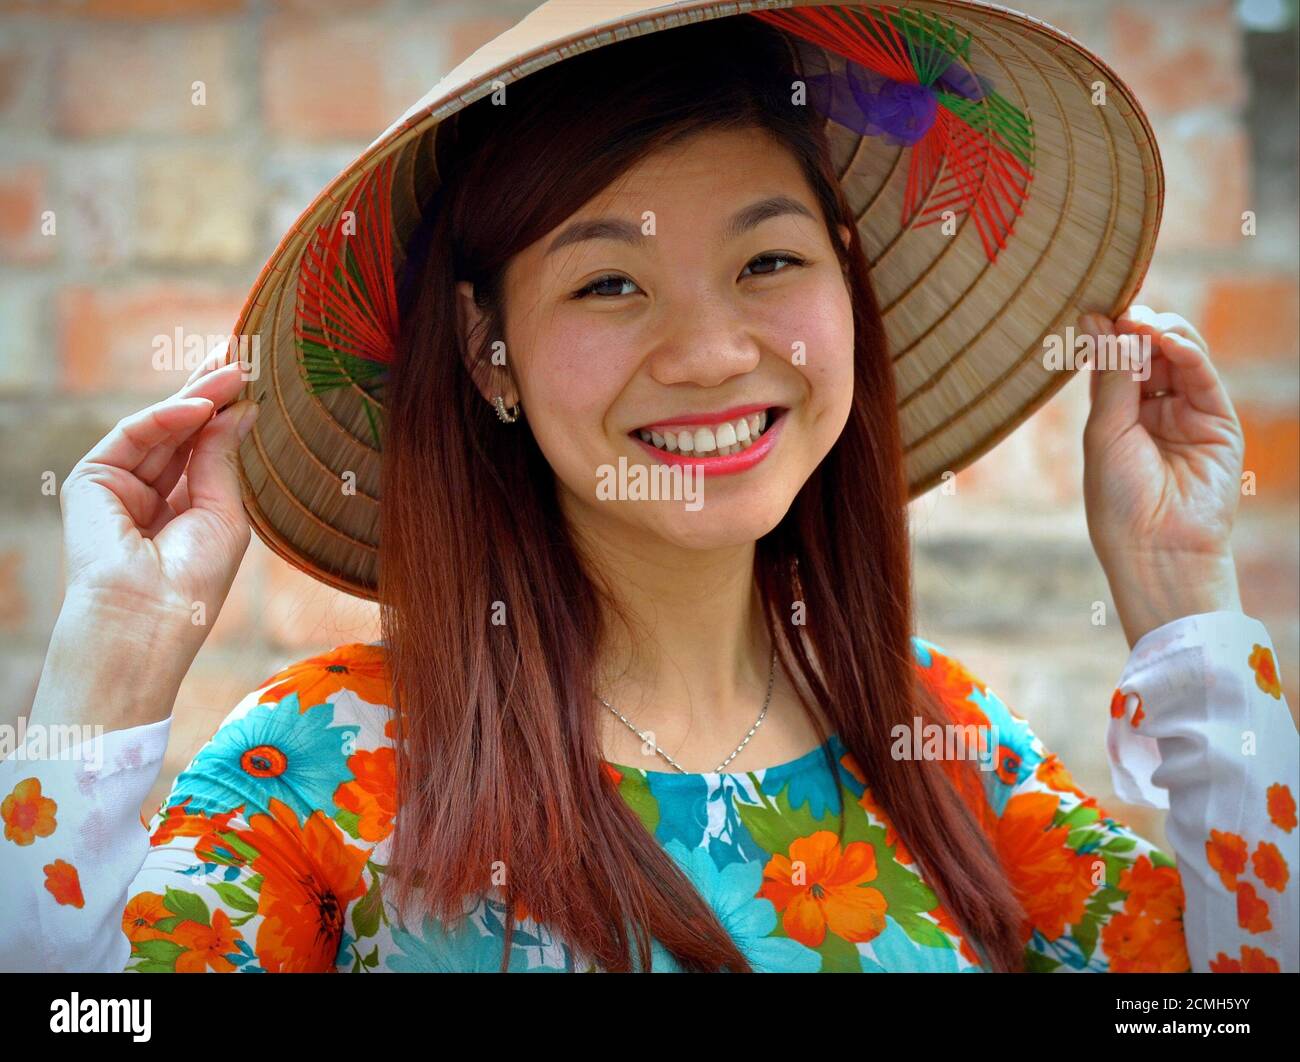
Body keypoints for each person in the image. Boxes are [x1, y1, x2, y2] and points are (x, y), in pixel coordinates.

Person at [1, 5, 1296, 974]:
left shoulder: (942, 741)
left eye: (768, 261)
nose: (714, 352)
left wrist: (1182, 591)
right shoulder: (324, 763)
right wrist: (109, 667)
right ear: (483, 351)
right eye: (608, 281)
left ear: (846, 287)